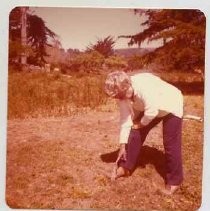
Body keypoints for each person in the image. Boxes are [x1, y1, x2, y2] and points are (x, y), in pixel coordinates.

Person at [104, 71, 183, 195]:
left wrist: (140, 124)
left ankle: (175, 181)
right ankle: (126, 167)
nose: (118, 99)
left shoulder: (144, 87)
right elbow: (126, 120)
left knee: (170, 142)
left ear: (125, 87)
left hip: (170, 103)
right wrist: (122, 145)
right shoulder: (122, 94)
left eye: (118, 96)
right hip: (149, 107)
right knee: (134, 132)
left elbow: (152, 111)